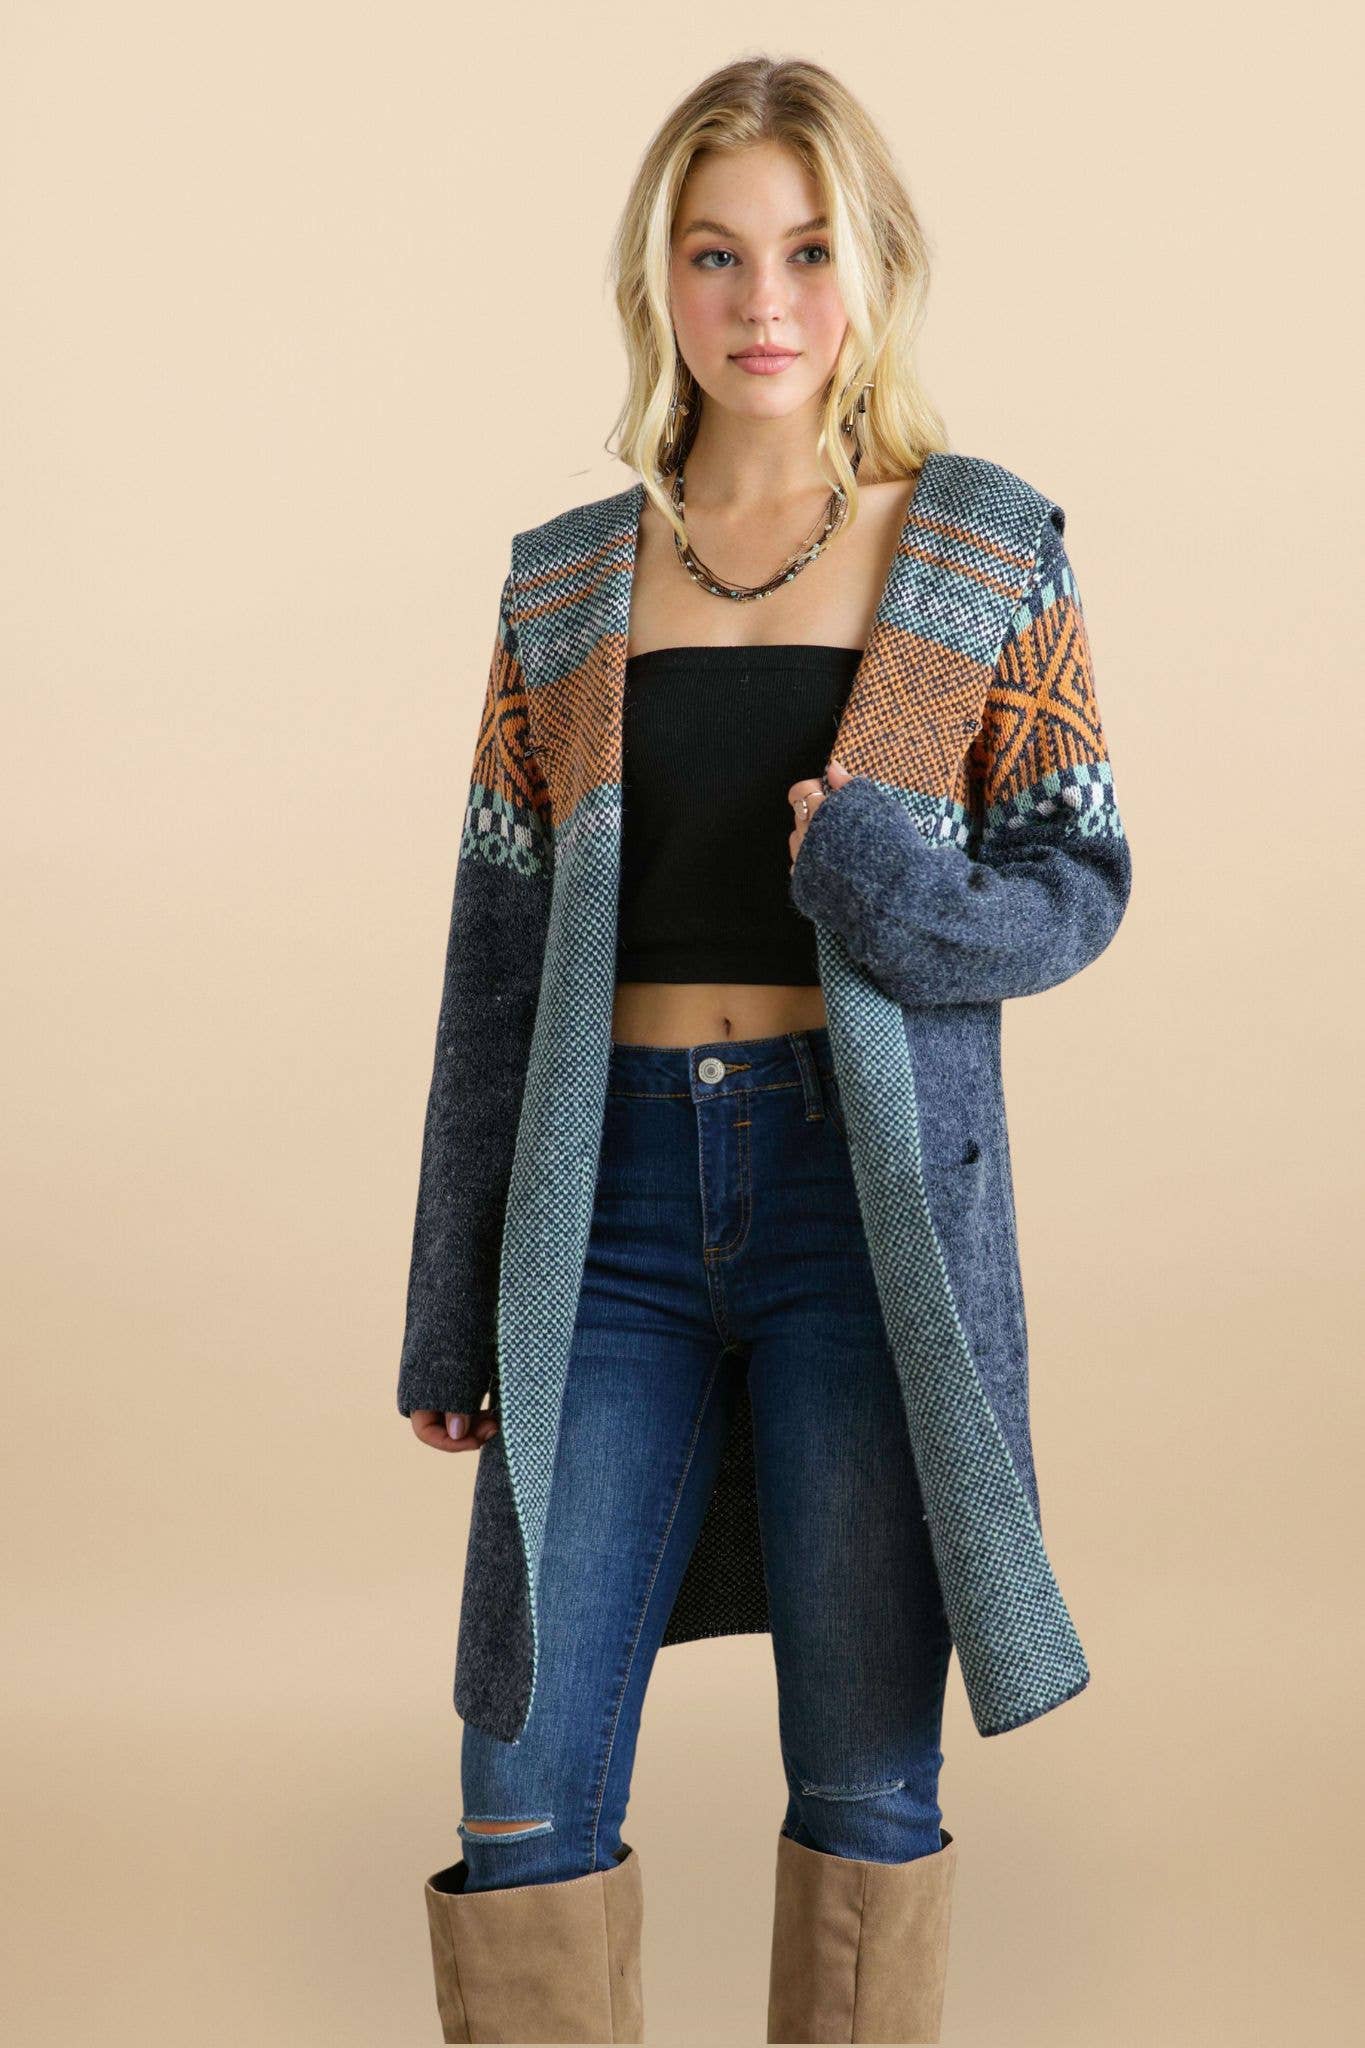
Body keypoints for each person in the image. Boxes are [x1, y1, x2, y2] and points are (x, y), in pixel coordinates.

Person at [401, 54, 1132, 2047]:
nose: (762, 300)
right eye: (715, 254)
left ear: (869, 269)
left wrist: (887, 888)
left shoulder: (980, 550)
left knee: (867, 1786)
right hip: (604, 1216)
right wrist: (448, 1303)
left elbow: (1074, 884)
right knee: (521, 1789)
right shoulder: (565, 582)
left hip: (860, 1218)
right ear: (659, 280)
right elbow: (493, 966)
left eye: (806, 251)